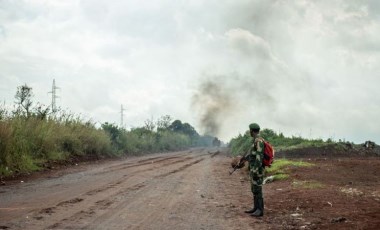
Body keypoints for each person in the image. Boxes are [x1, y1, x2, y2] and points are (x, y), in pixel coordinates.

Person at [244, 123, 265, 217]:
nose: (250, 132)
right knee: (254, 189)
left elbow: (259, 157)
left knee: (258, 189)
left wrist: (255, 170)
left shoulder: (259, 141)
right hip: (254, 169)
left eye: (250, 130)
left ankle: (260, 210)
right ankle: (255, 208)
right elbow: (253, 154)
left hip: (257, 170)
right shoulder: (255, 140)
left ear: (252, 131)